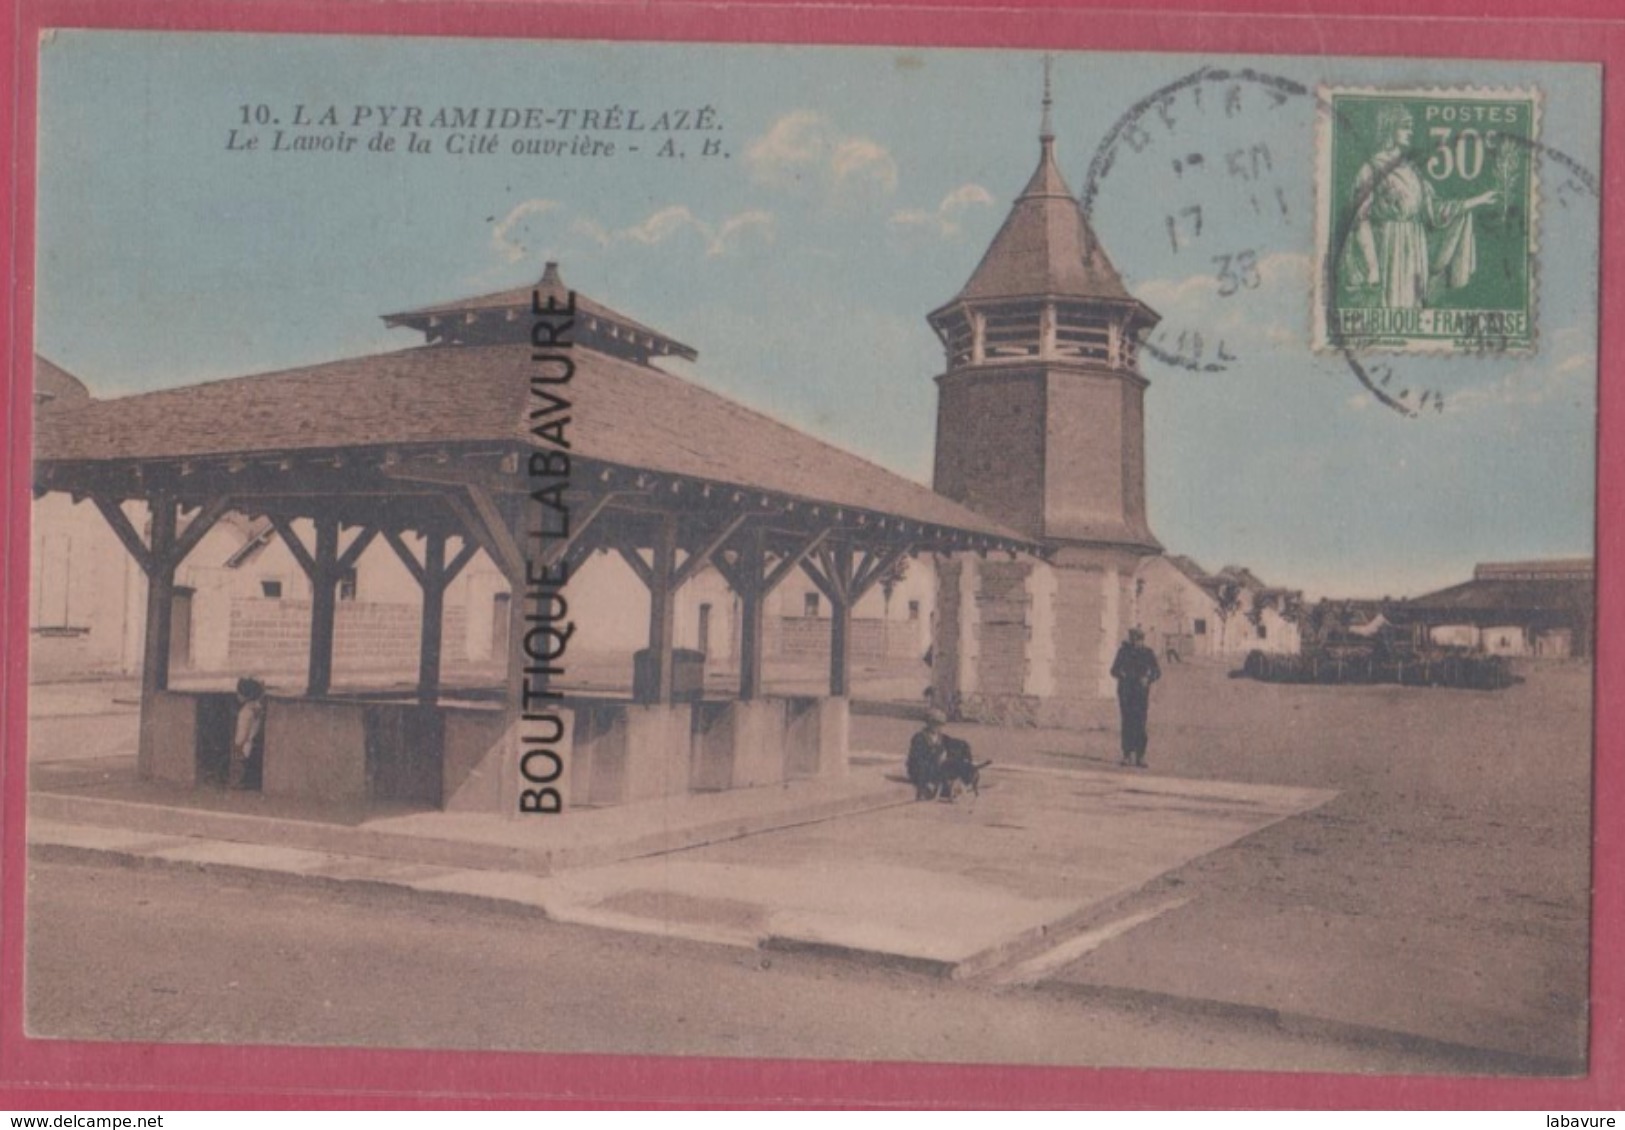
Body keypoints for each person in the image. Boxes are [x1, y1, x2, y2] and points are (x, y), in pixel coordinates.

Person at [1343, 104, 1498, 310]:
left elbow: (1436, 211)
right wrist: (1372, 269)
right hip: (1389, 249)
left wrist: (1478, 200)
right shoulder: (1371, 168)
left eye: (1411, 127)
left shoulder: (1412, 171)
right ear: (1390, 128)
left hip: (1415, 250)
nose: (1410, 132)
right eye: (1405, 127)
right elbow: (1359, 221)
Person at [1111, 628, 1161, 769]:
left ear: (1142, 640)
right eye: (1133, 639)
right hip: (1126, 692)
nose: (1135, 642)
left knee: (1140, 723)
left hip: (1141, 693)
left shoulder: (1147, 653)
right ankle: (1127, 755)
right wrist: (1121, 674)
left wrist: (1148, 678)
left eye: (1138, 639)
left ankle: (1140, 756)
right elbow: (1113, 670)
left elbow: (1157, 672)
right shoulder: (1123, 652)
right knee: (1127, 723)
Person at [227, 677, 267, 790]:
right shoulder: (257, 708)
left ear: (246, 695)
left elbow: (242, 732)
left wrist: (237, 744)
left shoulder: (245, 712)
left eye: (239, 693)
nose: (237, 695)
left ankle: (235, 784)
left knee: (237, 765)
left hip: (243, 743)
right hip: (251, 741)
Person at [906, 709, 951, 801]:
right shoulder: (920, 737)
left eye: (940, 724)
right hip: (919, 768)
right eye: (934, 723)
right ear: (928, 723)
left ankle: (944, 788)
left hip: (934, 766)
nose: (937, 727)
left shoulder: (940, 737)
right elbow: (917, 758)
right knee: (926, 769)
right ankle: (928, 786)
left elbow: (943, 750)